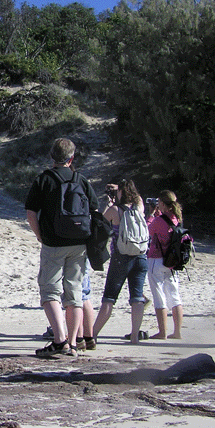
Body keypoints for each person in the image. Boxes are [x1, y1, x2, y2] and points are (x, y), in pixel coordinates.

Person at [25, 138, 98, 357]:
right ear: (71, 158)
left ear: (51, 156)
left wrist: (39, 235)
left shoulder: (44, 179)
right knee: (75, 293)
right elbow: (94, 210)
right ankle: (74, 343)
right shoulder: (80, 179)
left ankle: (60, 340)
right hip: (79, 243)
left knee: (50, 291)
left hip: (54, 242)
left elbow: (31, 212)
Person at [92, 179, 149, 345]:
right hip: (140, 256)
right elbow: (138, 198)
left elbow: (100, 223)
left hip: (120, 258)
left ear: (120, 193)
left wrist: (110, 202)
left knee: (109, 298)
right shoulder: (139, 207)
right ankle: (134, 336)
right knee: (137, 297)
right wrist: (124, 188)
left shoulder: (114, 210)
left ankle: (93, 334)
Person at [147, 190, 184, 339]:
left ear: (162, 203)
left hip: (157, 259)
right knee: (175, 296)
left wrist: (151, 215)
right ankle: (177, 332)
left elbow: (148, 231)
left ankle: (162, 332)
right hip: (173, 262)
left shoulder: (158, 220)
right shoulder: (177, 218)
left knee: (159, 296)